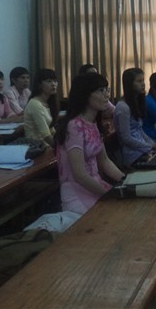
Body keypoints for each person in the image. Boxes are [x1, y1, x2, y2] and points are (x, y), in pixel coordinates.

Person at [54, 73, 126, 215]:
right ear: (85, 95)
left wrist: (126, 180)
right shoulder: (74, 126)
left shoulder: (92, 123)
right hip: (76, 191)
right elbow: (80, 175)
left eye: (106, 90)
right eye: (100, 90)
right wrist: (109, 194)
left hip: (93, 185)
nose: (106, 94)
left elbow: (104, 161)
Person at [113, 68, 156, 167]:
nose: (143, 84)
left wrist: (152, 144)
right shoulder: (123, 107)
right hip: (133, 155)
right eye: (139, 81)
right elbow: (126, 138)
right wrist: (150, 145)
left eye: (143, 80)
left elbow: (140, 131)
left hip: (142, 150)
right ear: (129, 84)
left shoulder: (135, 103)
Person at [24, 69, 59, 148]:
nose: (54, 84)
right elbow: (46, 136)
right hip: (37, 147)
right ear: (39, 84)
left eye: (55, 81)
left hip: (46, 145)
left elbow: (51, 130)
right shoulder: (35, 104)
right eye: (49, 81)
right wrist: (61, 148)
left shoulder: (49, 102)